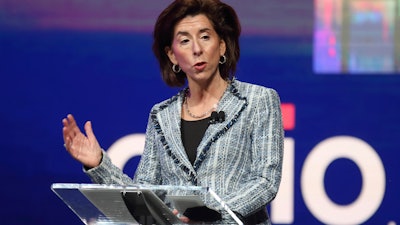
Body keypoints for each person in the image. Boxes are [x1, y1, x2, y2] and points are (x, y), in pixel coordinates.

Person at [62, 0, 284, 224]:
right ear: (172, 55)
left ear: (222, 45)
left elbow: (265, 181)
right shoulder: (161, 115)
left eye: (205, 37)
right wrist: (98, 163)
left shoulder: (258, 100)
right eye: (185, 41)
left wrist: (212, 213)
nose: (197, 49)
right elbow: (145, 197)